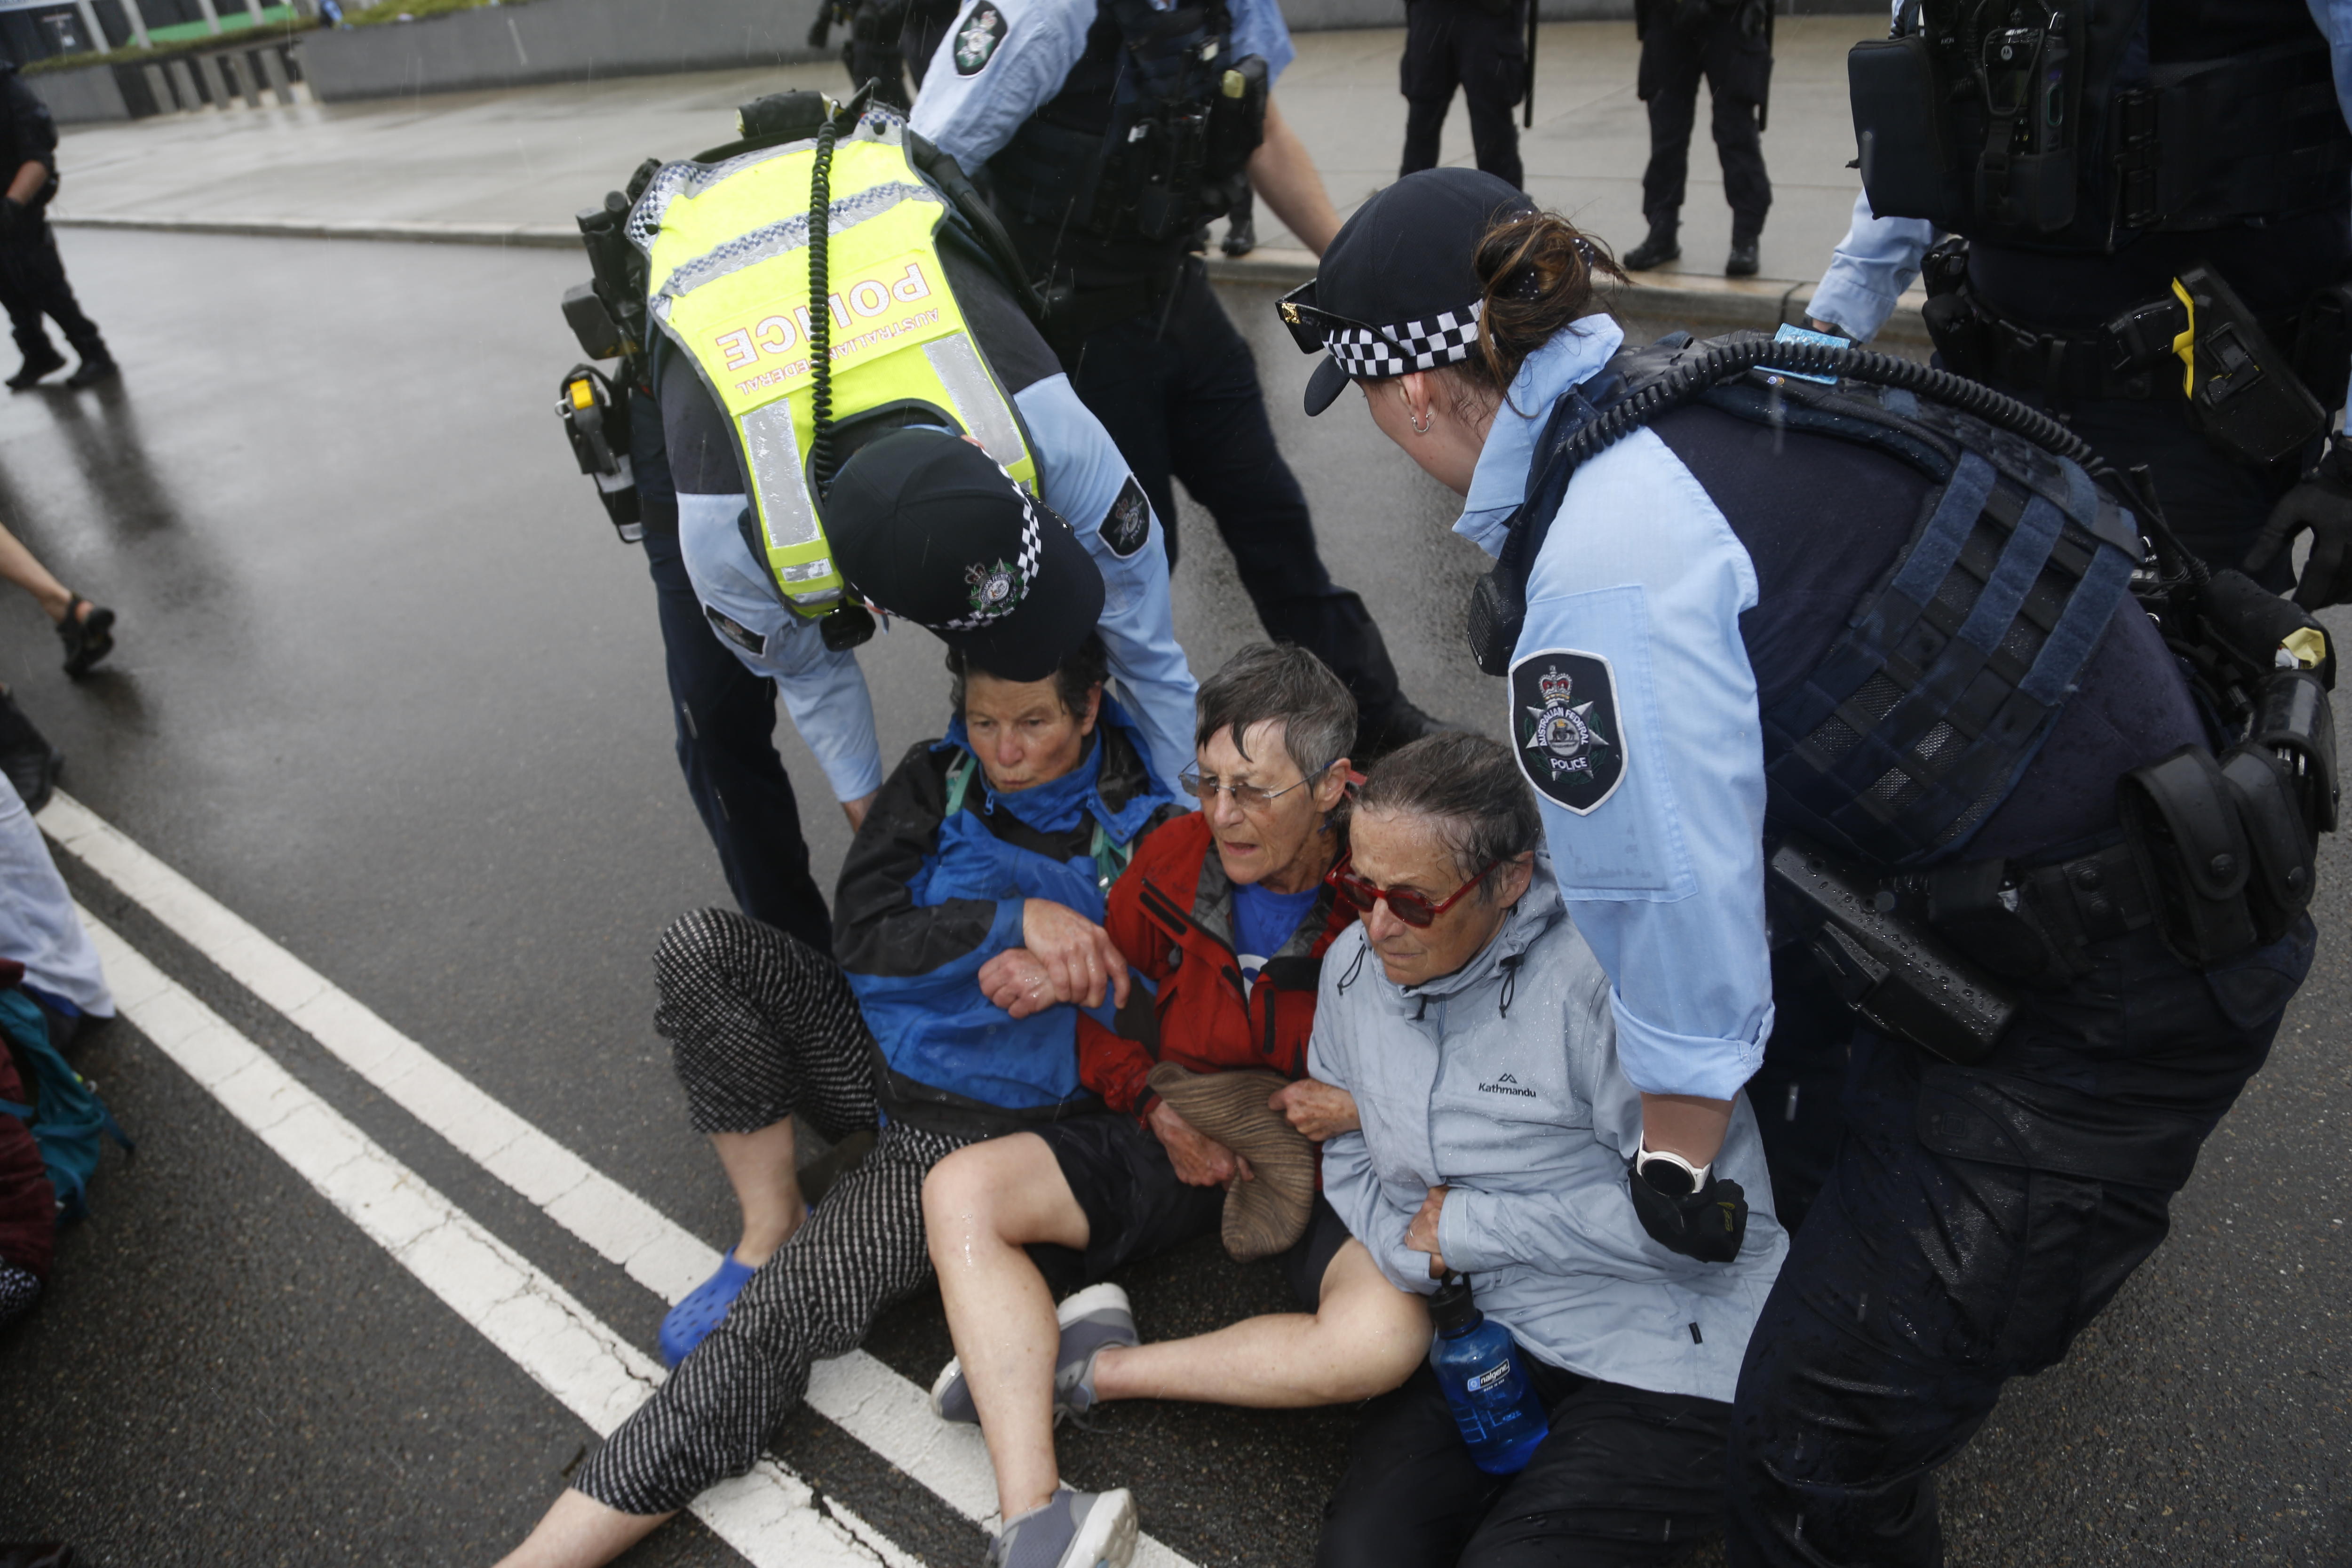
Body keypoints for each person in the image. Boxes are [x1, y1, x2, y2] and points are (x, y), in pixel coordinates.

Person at [1282, 167, 2321, 1565]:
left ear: (1412, 394)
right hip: (2138, 868)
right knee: (1839, 1228)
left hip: (2102, 1008)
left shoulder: (1597, 571)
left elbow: (1671, 921)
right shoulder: (1711, 394)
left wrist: (1672, 1150)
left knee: (1810, 1449)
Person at [492, 597, 1180, 1568]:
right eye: (983, 719)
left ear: (1090, 706)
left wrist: (1092, 952)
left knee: (772, 1324)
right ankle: (769, 1220)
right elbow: (861, 936)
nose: (1004, 748)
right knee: (702, 946)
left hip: (970, 1137)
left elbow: (1171, 1028)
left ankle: (543, 1554)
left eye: (1031, 722)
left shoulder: (1152, 826)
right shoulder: (935, 778)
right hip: (877, 1060)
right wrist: (1009, 919)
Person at [600, 93, 1200, 955]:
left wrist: (1187, 848)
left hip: (867, 221)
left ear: (980, 452)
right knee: (718, 719)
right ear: (871, 601)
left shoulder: (1053, 437)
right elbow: (815, 684)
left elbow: (1148, 650)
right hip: (704, 344)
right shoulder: (738, 541)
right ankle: (805, 967)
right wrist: (905, 874)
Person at [919, 642, 1426, 1567]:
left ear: (1332, 787)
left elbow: (1472, 1076)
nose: (1222, 817)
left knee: (1383, 1337)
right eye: (1208, 780)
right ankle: (1034, 1516)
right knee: (961, 1192)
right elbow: (1110, 1008)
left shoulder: (1390, 899)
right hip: (1190, 1123)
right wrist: (1153, 1107)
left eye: (1255, 791)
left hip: (1342, 1167)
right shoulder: (1170, 856)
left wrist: (1360, 1112)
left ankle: (1092, 1368)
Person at [907, 0, 1444, 757]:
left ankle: (1379, 727)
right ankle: (1081, 779)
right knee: (1127, 570)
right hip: (1071, 336)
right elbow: (921, 169)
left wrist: (1357, 276)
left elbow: (1264, 133)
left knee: (1275, 523)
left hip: (1178, 301)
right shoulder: (1043, 13)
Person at [1307, 733, 1785, 1567]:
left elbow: (1707, 1224)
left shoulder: (1613, 987)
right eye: (1358, 886)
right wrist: (1410, 1258)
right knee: (1361, 1553)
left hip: (1666, 1344)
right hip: (1492, 1330)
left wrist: (1471, 1232)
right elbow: (1352, 1154)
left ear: (1510, 879)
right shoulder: (1350, 970)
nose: (1377, 926)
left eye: (1413, 902)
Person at [1807, 1, 2352, 604]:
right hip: (1983, 391)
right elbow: (1932, 121)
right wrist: (1826, 328)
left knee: (2176, 678)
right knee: (1962, 665)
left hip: (2207, 419)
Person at [1619, 0, 1772, 277]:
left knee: (1736, 133)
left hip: (1728, 14)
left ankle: (1745, 237)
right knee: (1667, 135)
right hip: (1668, 15)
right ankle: (1662, 231)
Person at [0, 60, 111, 391]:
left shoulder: (8, 89)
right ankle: (40, 354)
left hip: (17, 206)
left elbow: (39, 155)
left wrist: (11, 206)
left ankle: (95, 354)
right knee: (8, 289)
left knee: (44, 283)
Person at [1397, 0, 1528, 191]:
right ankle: (1406, 207)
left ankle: (1507, 210)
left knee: (1492, 127)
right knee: (1422, 125)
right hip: (1432, 14)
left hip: (1489, 15)